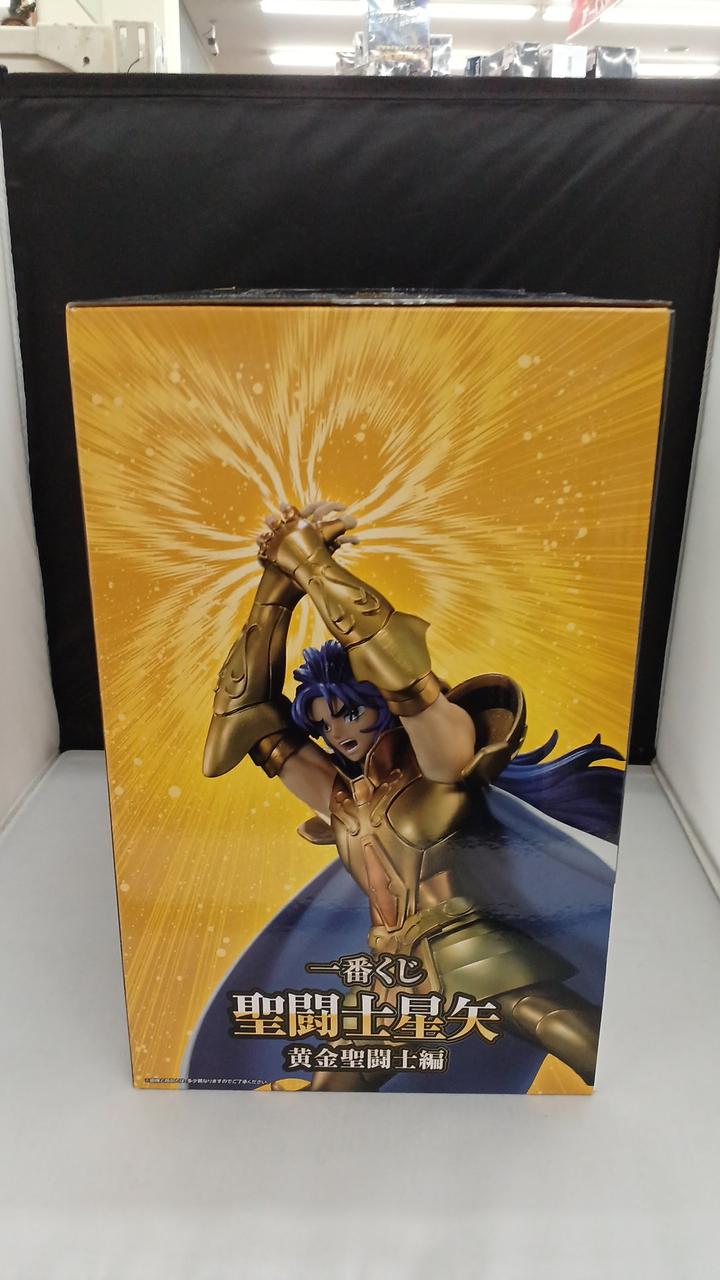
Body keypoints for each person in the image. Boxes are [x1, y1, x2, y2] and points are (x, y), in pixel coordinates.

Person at [203, 500, 604, 1089]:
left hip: (475, 952)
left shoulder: (437, 761)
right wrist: (275, 588)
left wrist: (311, 561)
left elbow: (401, 671)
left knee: (573, 1032)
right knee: (330, 1088)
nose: (337, 734)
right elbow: (244, 719)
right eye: (323, 723)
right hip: (392, 978)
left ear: (379, 706)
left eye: (349, 712)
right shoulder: (346, 800)